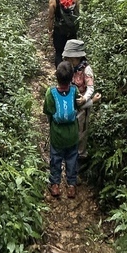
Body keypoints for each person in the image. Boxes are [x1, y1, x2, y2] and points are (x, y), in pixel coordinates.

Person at [43, 60, 79, 199]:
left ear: (56, 77)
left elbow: (48, 111)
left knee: (56, 159)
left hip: (57, 134)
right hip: (72, 134)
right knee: (72, 159)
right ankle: (71, 186)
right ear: (71, 78)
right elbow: (78, 107)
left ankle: (55, 185)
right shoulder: (75, 91)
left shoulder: (50, 93)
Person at [62, 38, 100, 158]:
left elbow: (90, 88)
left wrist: (85, 98)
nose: (68, 60)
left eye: (70, 59)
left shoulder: (86, 69)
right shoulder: (68, 67)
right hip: (70, 101)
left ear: (77, 58)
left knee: (81, 130)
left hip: (82, 103)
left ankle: (80, 154)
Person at [48, 0, 79, 66]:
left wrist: (50, 30)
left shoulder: (53, 0)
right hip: (72, 29)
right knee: (72, 53)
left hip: (59, 31)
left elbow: (51, 17)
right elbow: (77, 10)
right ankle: (71, 74)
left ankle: (60, 75)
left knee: (58, 53)